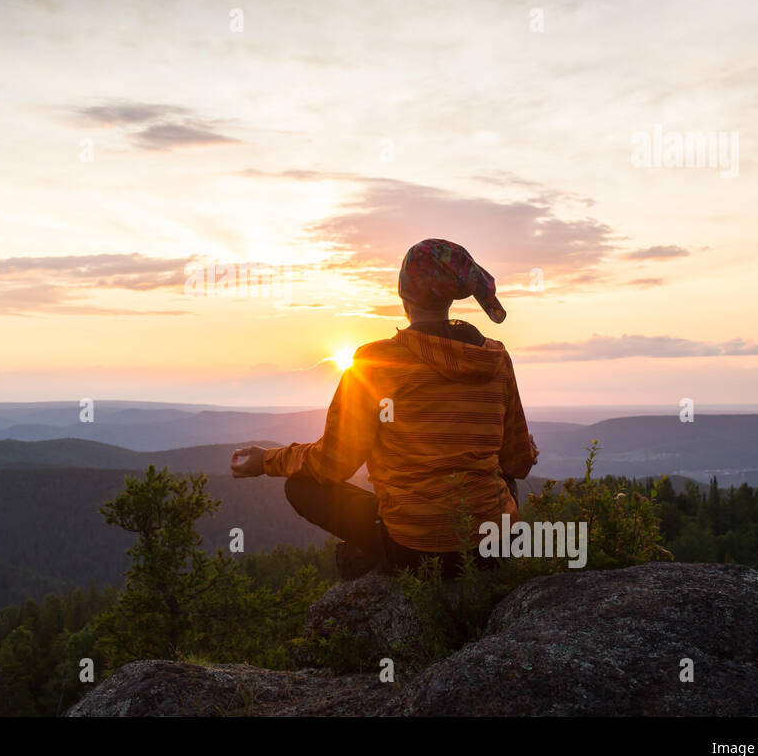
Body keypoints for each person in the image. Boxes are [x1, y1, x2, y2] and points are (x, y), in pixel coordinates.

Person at [230, 238, 539, 579]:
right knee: (500, 477)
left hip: (416, 553)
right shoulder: (494, 358)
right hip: (497, 547)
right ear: (452, 296)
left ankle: (381, 550)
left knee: (301, 487)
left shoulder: (376, 364)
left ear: (404, 293)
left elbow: (334, 463)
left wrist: (268, 461)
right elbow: (518, 463)